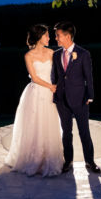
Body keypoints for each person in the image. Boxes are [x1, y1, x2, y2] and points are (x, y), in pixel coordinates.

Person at [4, 24, 65, 176]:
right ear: (39, 37)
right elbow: (35, 77)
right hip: (36, 93)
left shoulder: (51, 52)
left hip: (50, 93)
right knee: (34, 126)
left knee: (49, 125)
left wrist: (57, 85)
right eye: (46, 35)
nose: (49, 38)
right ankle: (33, 160)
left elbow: (59, 71)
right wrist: (50, 86)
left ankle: (49, 159)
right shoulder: (28, 56)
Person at [51, 21, 101, 174]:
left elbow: (89, 77)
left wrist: (90, 96)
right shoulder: (56, 54)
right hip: (62, 99)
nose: (56, 39)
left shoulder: (83, 54)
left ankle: (90, 161)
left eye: (58, 36)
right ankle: (68, 161)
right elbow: (56, 76)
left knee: (84, 131)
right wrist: (55, 93)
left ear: (67, 36)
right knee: (66, 132)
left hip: (80, 99)